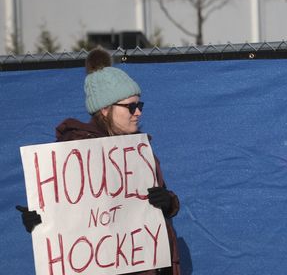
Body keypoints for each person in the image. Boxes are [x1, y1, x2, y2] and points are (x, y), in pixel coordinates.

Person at [15, 49, 182, 275]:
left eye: (139, 105)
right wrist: (39, 221)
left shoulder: (139, 151)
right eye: (131, 106)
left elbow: (160, 199)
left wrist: (167, 202)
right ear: (105, 109)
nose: (138, 113)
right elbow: (68, 215)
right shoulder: (73, 153)